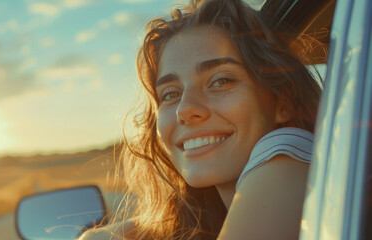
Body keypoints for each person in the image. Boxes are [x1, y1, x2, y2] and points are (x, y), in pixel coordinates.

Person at [79, 0, 322, 239]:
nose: (184, 110)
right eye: (171, 94)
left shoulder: (288, 154)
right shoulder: (208, 210)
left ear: (283, 102)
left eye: (220, 81)